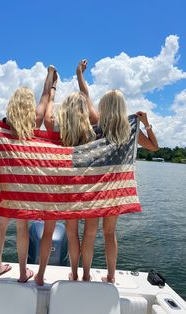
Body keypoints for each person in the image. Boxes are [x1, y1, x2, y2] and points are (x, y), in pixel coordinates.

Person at [0, 65, 56, 282]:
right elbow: (43, 97)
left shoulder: (1, 127)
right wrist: (50, 78)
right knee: (22, 226)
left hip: (4, 184)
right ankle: (23, 273)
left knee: (2, 225)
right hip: (24, 185)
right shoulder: (33, 122)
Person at [35, 61, 98, 285]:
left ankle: (42, 274)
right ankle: (83, 273)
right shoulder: (92, 128)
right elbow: (86, 95)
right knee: (81, 234)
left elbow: (49, 104)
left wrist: (52, 87)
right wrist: (79, 74)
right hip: (83, 187)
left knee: (52, 233)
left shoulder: (54, 125)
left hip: (59, 185)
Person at [97, 89, 158, 283]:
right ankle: (111, 276)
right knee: (109, 232)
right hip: (116, 187)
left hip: (95, 185)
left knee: (89, 232)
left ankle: (84, 273)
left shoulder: (97, 125)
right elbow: (153, 147)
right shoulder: (129, 127)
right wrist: (146, 124)